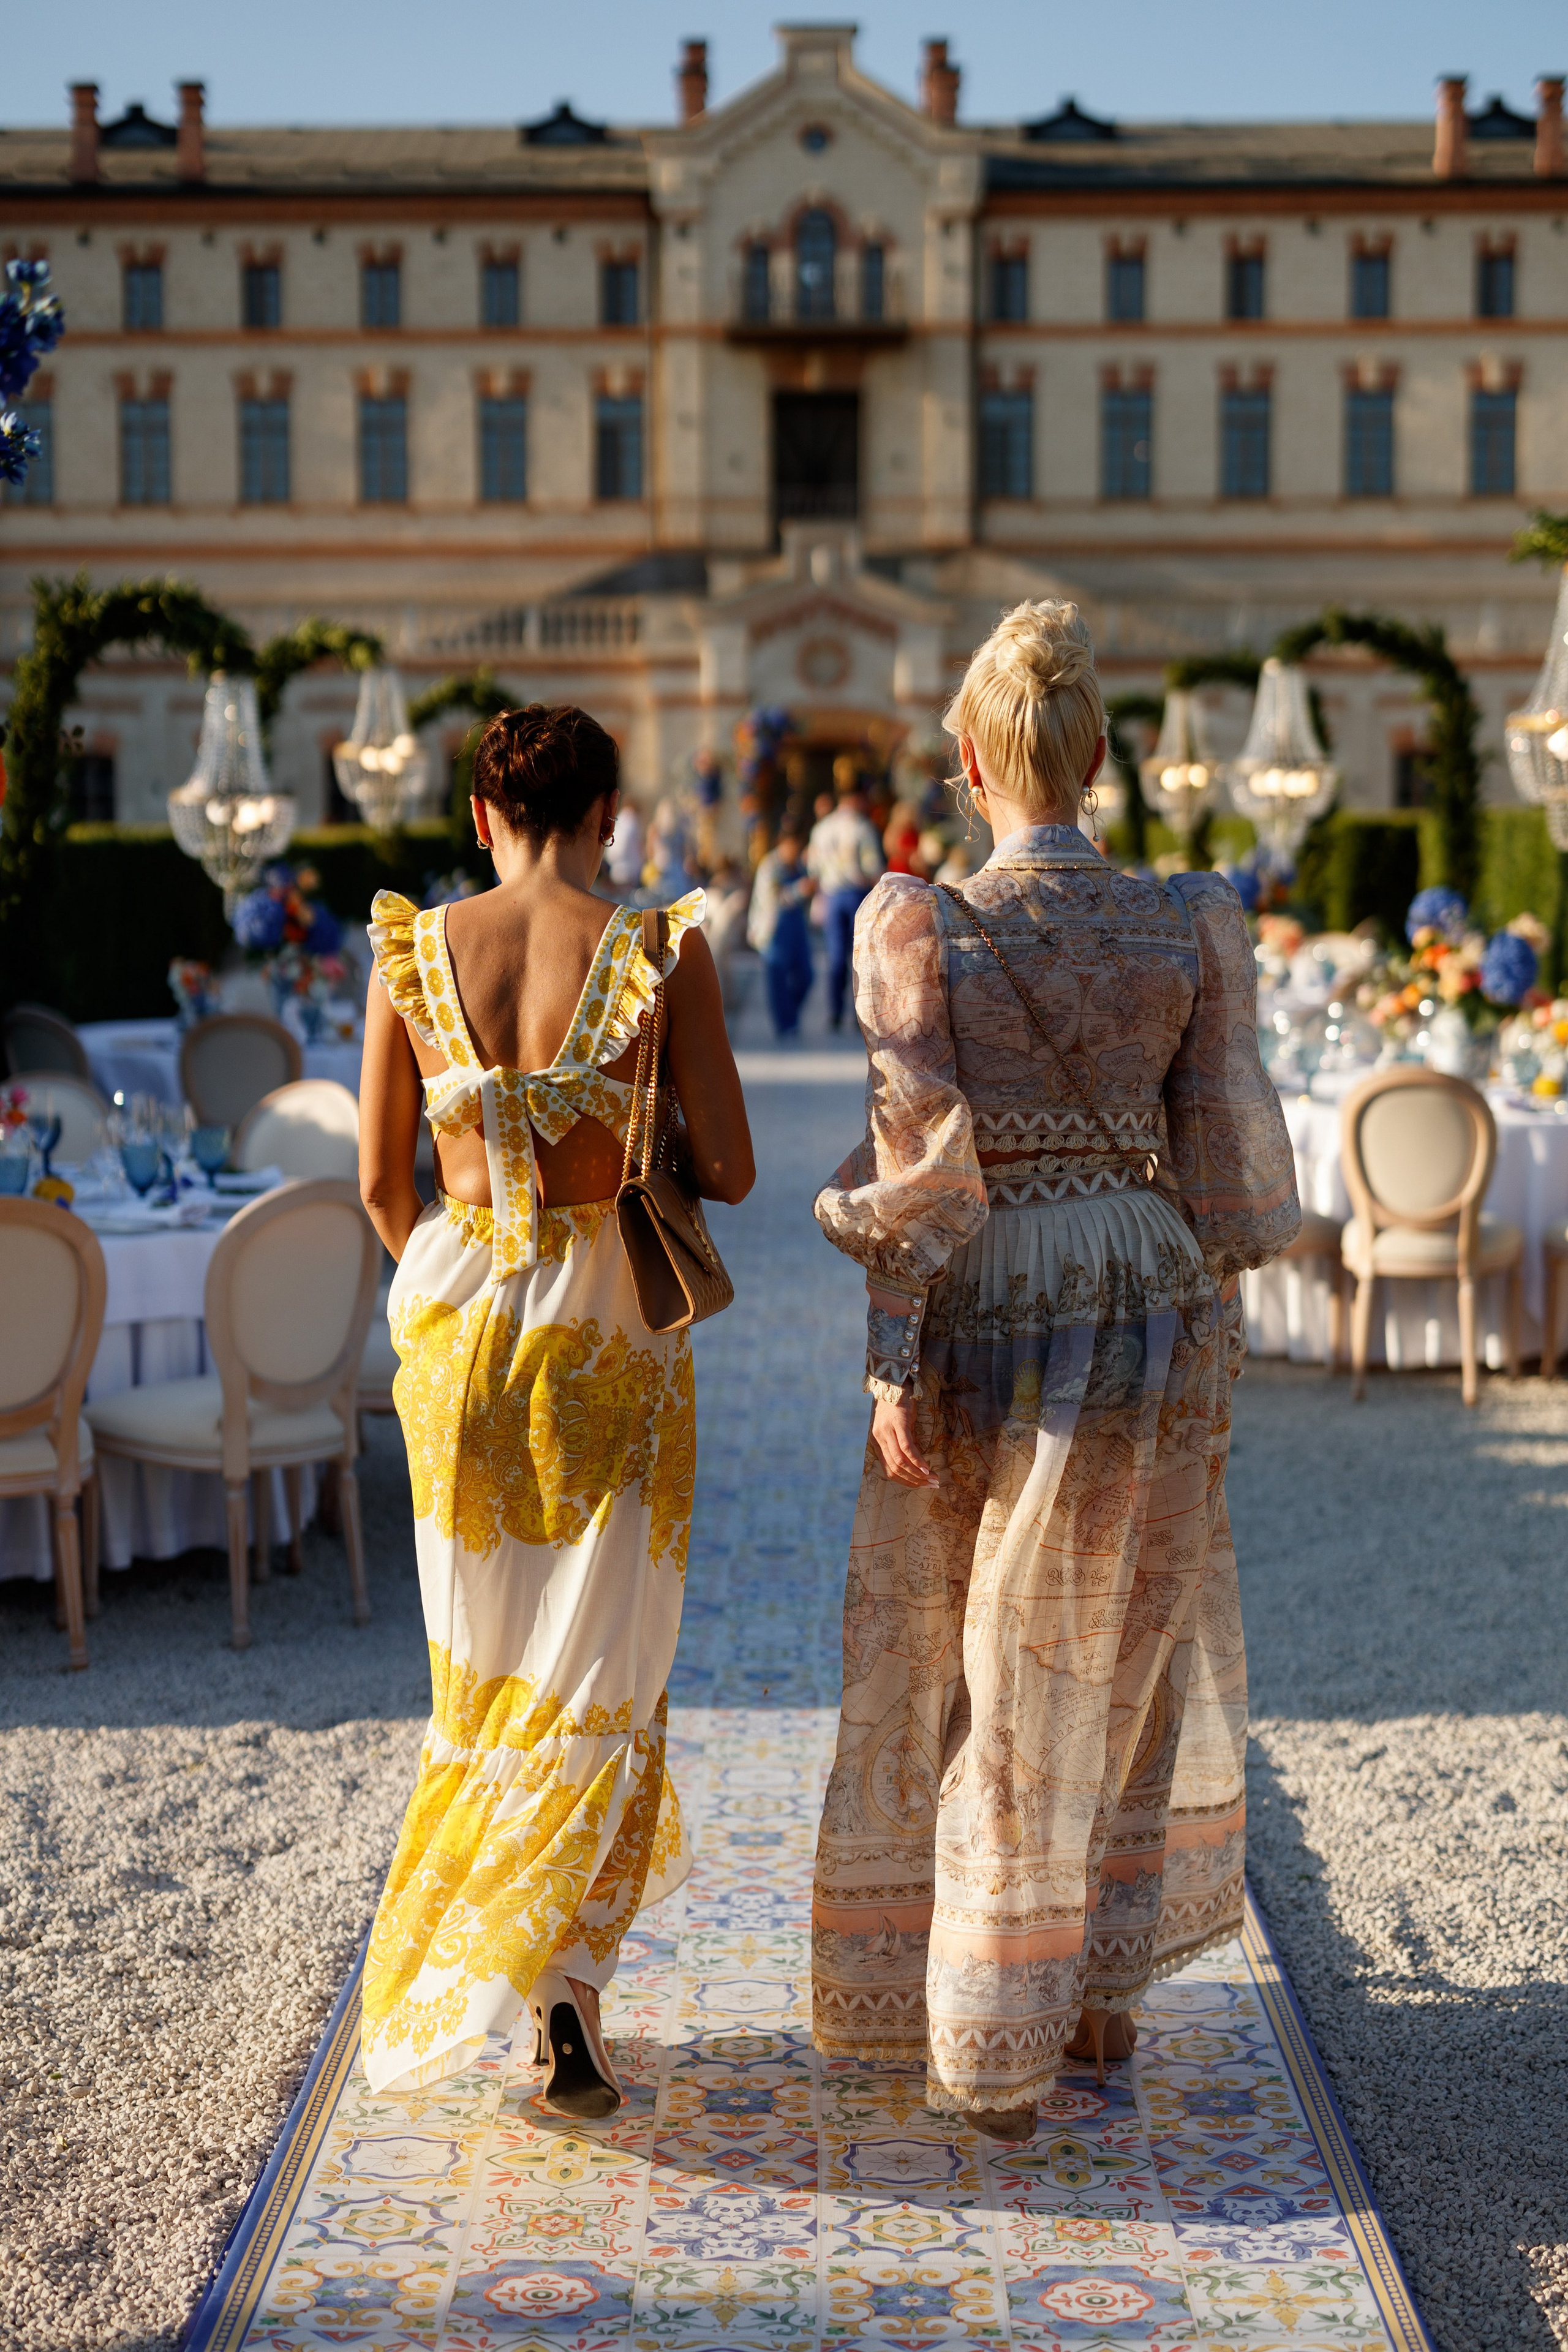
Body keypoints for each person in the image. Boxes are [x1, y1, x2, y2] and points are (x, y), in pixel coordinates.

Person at [810, 600, 1298, 2143]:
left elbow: (923, 1173)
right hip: (1152, 1290)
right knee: (1122, 1654)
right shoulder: (1185, 918)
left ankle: (990, 2040)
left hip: (994, 1295)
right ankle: (1093, 1997)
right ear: (1099, 756)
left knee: (985, 1661)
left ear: (967, 760)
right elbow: (1226, 1173)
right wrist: (1196, 1324)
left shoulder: (920, 921)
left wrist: (891, 1356)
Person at [358, 703, 755, 2114]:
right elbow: (736, 1164)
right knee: (601, 1671)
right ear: (608, 815)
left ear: (477, 817)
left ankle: (529, 1974)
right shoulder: (659, 951)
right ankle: (570, 1991)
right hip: (610, 1331)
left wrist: (463, 1298)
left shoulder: (411, 947)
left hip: (462, 1326)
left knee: (481, 1668)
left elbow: (380, 1189)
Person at [807, 778, 884, 1030]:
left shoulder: (822, 829)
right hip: (857, 894)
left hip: (832, 895)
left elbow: (813, 869)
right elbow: (873, 867)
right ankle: (858, 1014)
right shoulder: (862, 828)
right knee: (861, 956)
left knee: (835, 955)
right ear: (856, 799)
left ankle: (835, 1012)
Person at [747, 823, 816, 1036]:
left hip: (796, 927)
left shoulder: (801, 866)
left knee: (806, 975)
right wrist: (799, 891)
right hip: (774, 929)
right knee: (777, 979)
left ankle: (791, 1014)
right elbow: (772, 900)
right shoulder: (770, 867)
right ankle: (785, 1024)